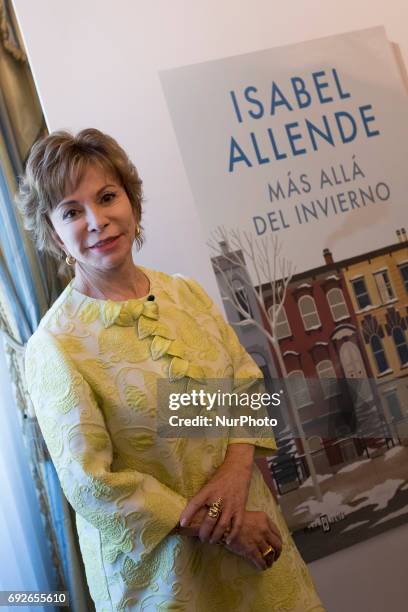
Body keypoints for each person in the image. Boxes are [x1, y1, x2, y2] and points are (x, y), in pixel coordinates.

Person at [18, 129, 324, 611]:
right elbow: (95, 483)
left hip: (257, 551)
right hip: (168, 581)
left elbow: (243, 387)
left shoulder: (185, 292)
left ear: (131, 201)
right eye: (73, 212)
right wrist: (229, 522)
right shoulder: (55, 345)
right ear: (55, 234)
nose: (97, 221)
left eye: (107, 197)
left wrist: (233, 474)